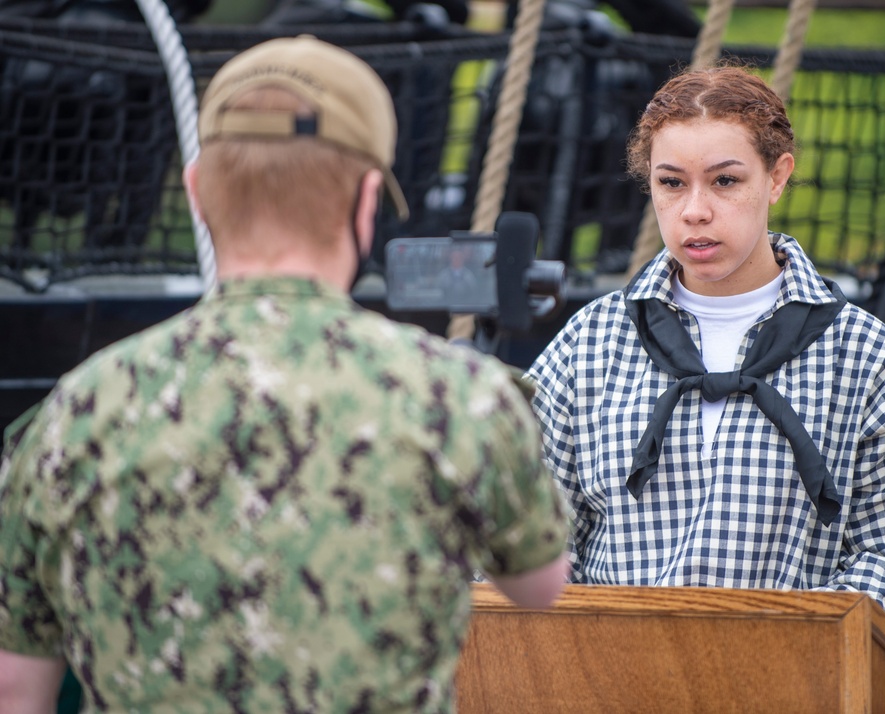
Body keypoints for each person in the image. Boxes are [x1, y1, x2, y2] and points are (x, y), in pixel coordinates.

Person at [0, 35, 569, 712]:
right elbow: (540, 586)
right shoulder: (459, 397)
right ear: (367, 201)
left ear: (195, 194)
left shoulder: (77, 410)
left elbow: (17, 687)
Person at [524, 64, 885, 654]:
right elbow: (524, 536)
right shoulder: (589, 343)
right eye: (671, 183)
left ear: (777, 176)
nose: (695, 211)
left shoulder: (861, 353)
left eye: (725, 181)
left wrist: (788, 661)